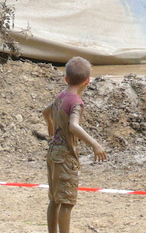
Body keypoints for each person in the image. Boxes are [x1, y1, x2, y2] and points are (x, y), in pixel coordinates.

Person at [42, 56, 106, 233]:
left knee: (54, 200)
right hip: (66, 155)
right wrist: (94, 144)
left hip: (53, 152)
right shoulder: (76, 102)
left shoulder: (60, 96)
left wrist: (50, 125)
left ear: (66, 79)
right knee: (67, 202)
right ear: (88, 81)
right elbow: (73, 125)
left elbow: (45, 112)